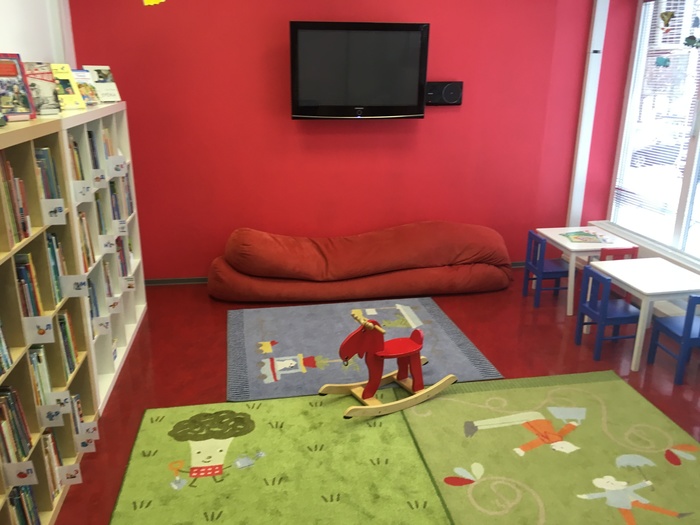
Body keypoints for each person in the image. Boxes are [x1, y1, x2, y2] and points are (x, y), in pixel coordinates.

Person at [577, 475, 692, 523]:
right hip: (622, 504)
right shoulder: (609, 490)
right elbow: (599, 495)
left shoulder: (619, 486)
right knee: (629, 518)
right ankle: (677, 514)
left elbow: (632, 487)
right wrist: (586, 496)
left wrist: (645, 483)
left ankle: (677, 514)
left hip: (632, 500)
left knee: (651, 508)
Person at [464, 410, 581, 456]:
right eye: (560, 448)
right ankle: (473, 424)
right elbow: (536, 442)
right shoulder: (552, 439)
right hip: (533, 418)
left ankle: (475, 426)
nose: (555, 449)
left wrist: (572, 425)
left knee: (507, 422)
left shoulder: (557, 438)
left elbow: (564, 431)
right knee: (505, 420)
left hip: (533, 420)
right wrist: (522, 449)